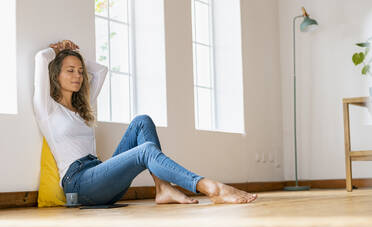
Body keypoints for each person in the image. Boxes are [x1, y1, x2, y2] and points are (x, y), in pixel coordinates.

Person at [33, 40, 258, 206]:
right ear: (55, 75)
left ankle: (162, 188)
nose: (78, 76)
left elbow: (101, 71)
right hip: (80, 184)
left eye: (80, 71)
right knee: (145, 151)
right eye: (70, 71)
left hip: (100, 176)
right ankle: (210, 187)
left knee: (142, 121)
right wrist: (59, 50)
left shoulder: (81, 108)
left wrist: (75, 54)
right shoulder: (48, 109)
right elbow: (41, 59)